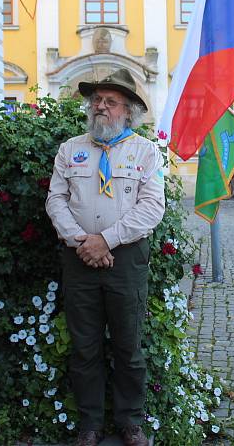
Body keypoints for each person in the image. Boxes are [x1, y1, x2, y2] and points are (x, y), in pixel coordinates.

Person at [46, 67, 165, 446]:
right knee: (85, 346)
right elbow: (56, 200)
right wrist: (84, 241)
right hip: (79, 258)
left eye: (110, 102)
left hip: (126, 260)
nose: (101, 106)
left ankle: (130, 422)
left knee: (128, 345)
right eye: (96, 100)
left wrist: (107, 241)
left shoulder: (146, 152)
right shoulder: (70, 149)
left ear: (128, 111)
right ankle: (91, 424)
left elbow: (152, 208)